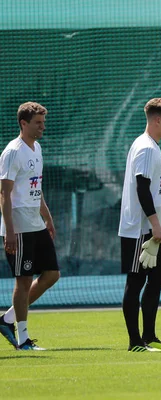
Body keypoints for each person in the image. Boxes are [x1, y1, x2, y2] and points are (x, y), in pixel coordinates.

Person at [119, 98, 161, 353]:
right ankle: (135, 342)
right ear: (157, 120)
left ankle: (150, 336)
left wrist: (157, 227)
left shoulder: (153, 146)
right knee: (135, 282)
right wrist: (155, 225)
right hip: (138, 230)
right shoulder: (145, 147)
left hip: (151, 230)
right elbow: (142, 189)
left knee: (158, 277)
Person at [0, 102, 60, 350]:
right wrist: (10, 231)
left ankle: (7, 319)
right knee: (23, 281)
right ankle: (23, 339)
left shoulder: (37, 148)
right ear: (23, 124)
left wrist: (47, 217)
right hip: (20, 227)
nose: (42, 127)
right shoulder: (13, 152)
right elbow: (4, 194)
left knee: (52, 275)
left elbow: (36, 187)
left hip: (35, 223)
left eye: (43, 122)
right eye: (38, 123)